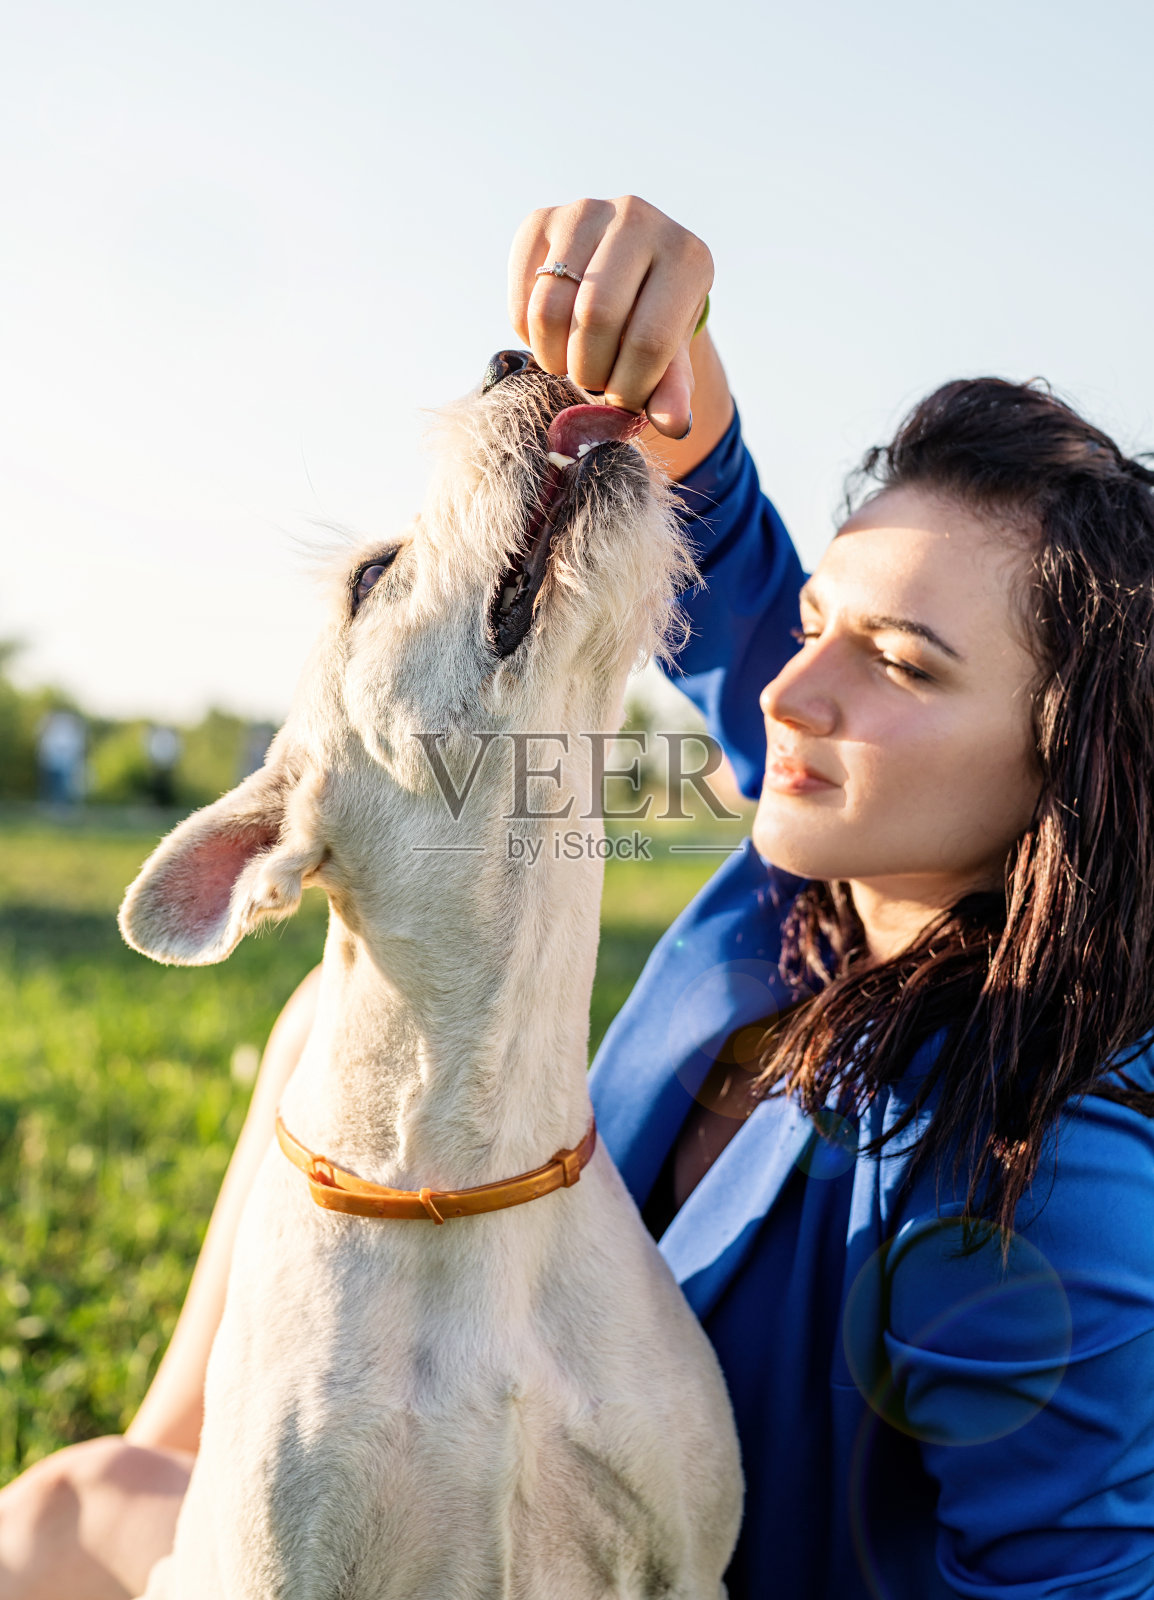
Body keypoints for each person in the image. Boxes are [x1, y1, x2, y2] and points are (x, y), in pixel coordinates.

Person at [4, 194, 1154, 1598]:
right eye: (814, 627)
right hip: (442, 1405)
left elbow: (1077, 1575)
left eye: (900, 665)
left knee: (72, 1516)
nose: (787, 696)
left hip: (623, 1543)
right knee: (106, 1475)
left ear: (1071, 772)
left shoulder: (1048, 1164)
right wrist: (657, 317)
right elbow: (709, 521)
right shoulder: (837, 838)